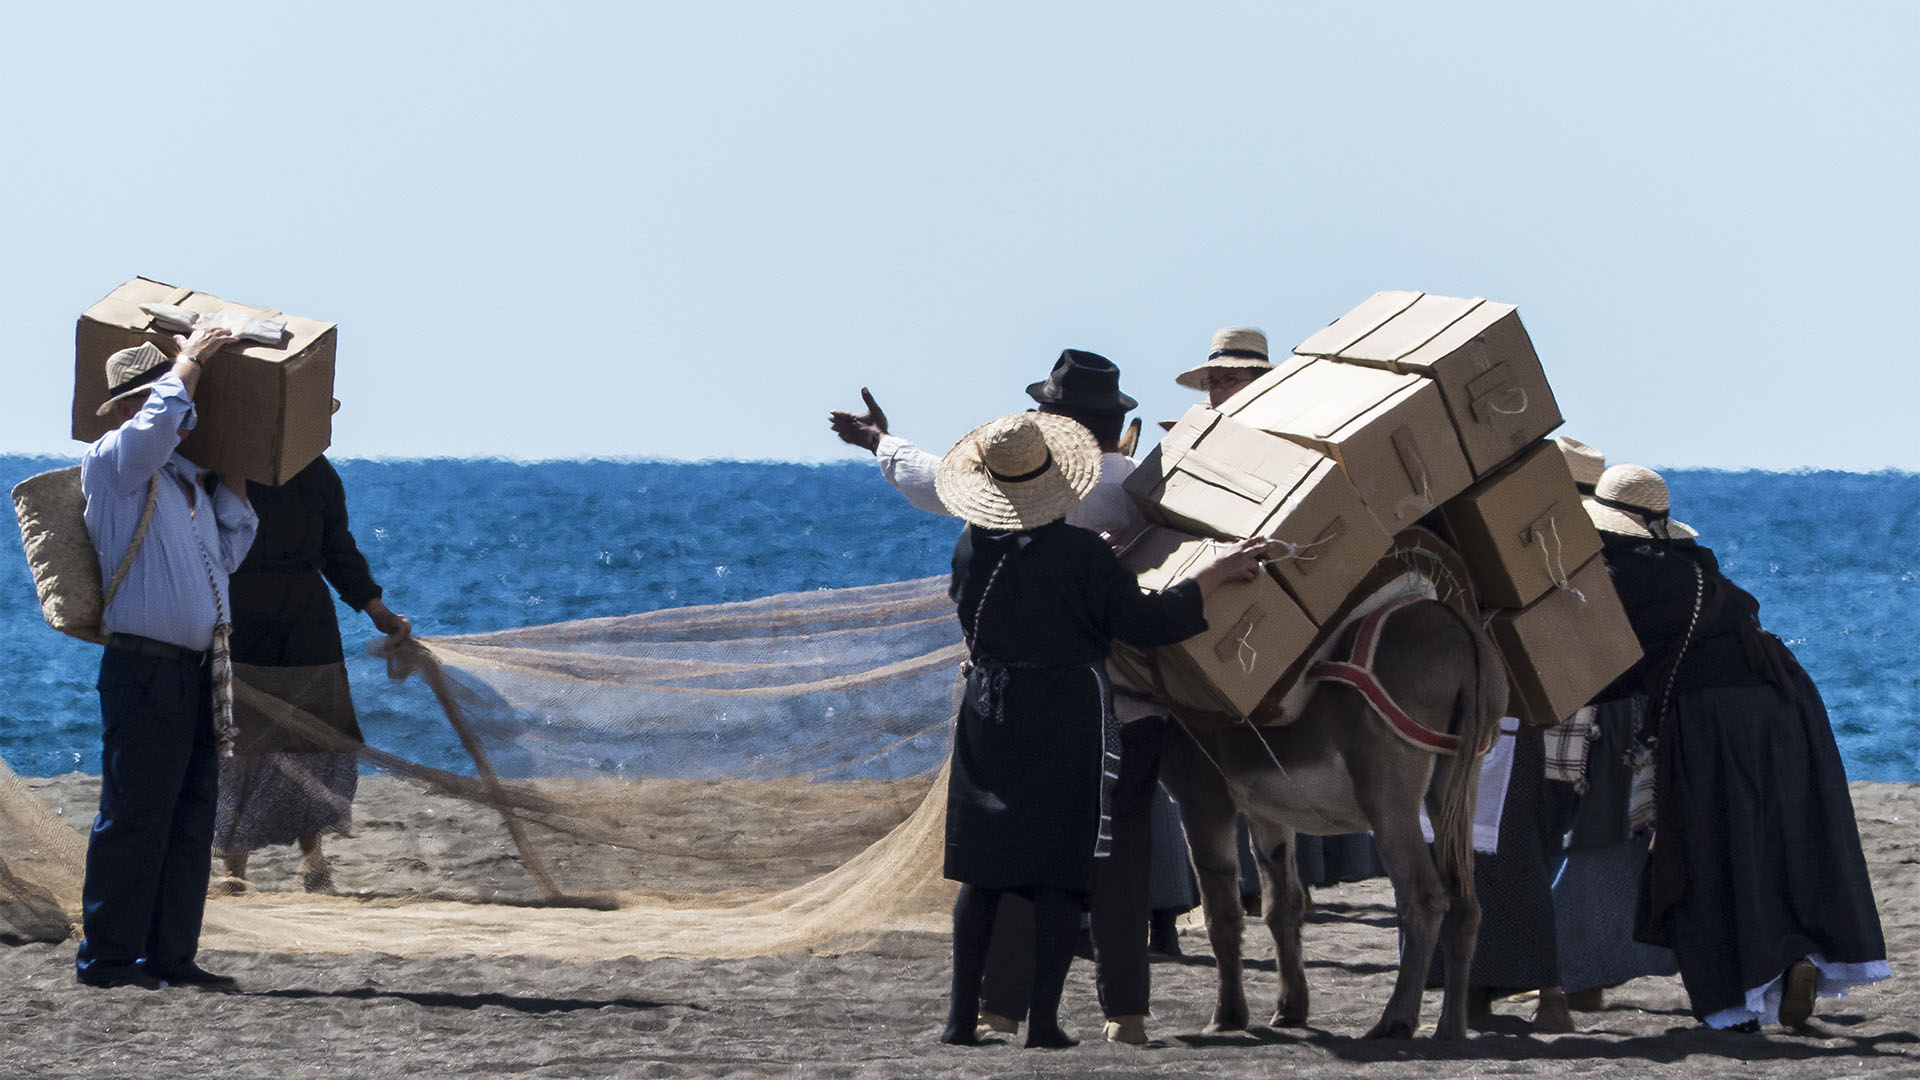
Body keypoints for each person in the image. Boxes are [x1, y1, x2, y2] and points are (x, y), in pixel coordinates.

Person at [831, 349, 1191, 1044]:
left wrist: (880, 439)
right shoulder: (1142, 486)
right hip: (1128, 700)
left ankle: (999, 1007)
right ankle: (1126, 1012)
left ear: (1047, 423)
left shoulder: (988, 510)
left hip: (1007, 706)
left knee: (1009, 863)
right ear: (1110, 421)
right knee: (1121, 855)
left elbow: (932, 476)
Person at [931, 411, 1265, 1047]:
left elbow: (993, 598)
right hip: (1061, 712)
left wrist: (1090, 574)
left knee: (985, 871)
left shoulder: (972, 543)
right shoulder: (1082, 555)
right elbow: (1146, 621)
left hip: (988, 708)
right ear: (1054, 480)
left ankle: (959, 1019)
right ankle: (1046, 1024)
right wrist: (1216, 572)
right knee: (1059, 868)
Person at [1589, 465, 1889, 1029]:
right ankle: (1792, 955)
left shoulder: (1618, 577)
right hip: (1787, 704)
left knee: (1702, 852)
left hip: (1713, 716)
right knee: (1776, 845)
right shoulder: (1697, 569)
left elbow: (1608, 669)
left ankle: (1732, 1008)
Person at [75, 327, 259, 989]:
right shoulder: (114, 462)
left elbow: (227, 557)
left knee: (188, 815)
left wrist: (235, 465)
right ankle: (110, 959)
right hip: (144, 668)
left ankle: (171, 956)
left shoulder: (183, 479)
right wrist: (192, 359)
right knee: (135, 816)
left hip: (196, 670)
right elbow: (157, 423)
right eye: (161, 398)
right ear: (131, 406)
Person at [1177, 328, 1385, 910]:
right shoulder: (1196, 440)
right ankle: (1267, 875)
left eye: (1229, 378)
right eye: (1213, 380)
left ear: (1261, 381)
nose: (1218, 388)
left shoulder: (1289, 435)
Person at [215, 450, 410, 893]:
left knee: (313, 737)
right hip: (239, 617)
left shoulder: (316, 471)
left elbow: (336, 548)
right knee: (236, 739)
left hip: (305, 621)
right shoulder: (221, 467)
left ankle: (313, 858)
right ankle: (233, 865)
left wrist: (377, 610)